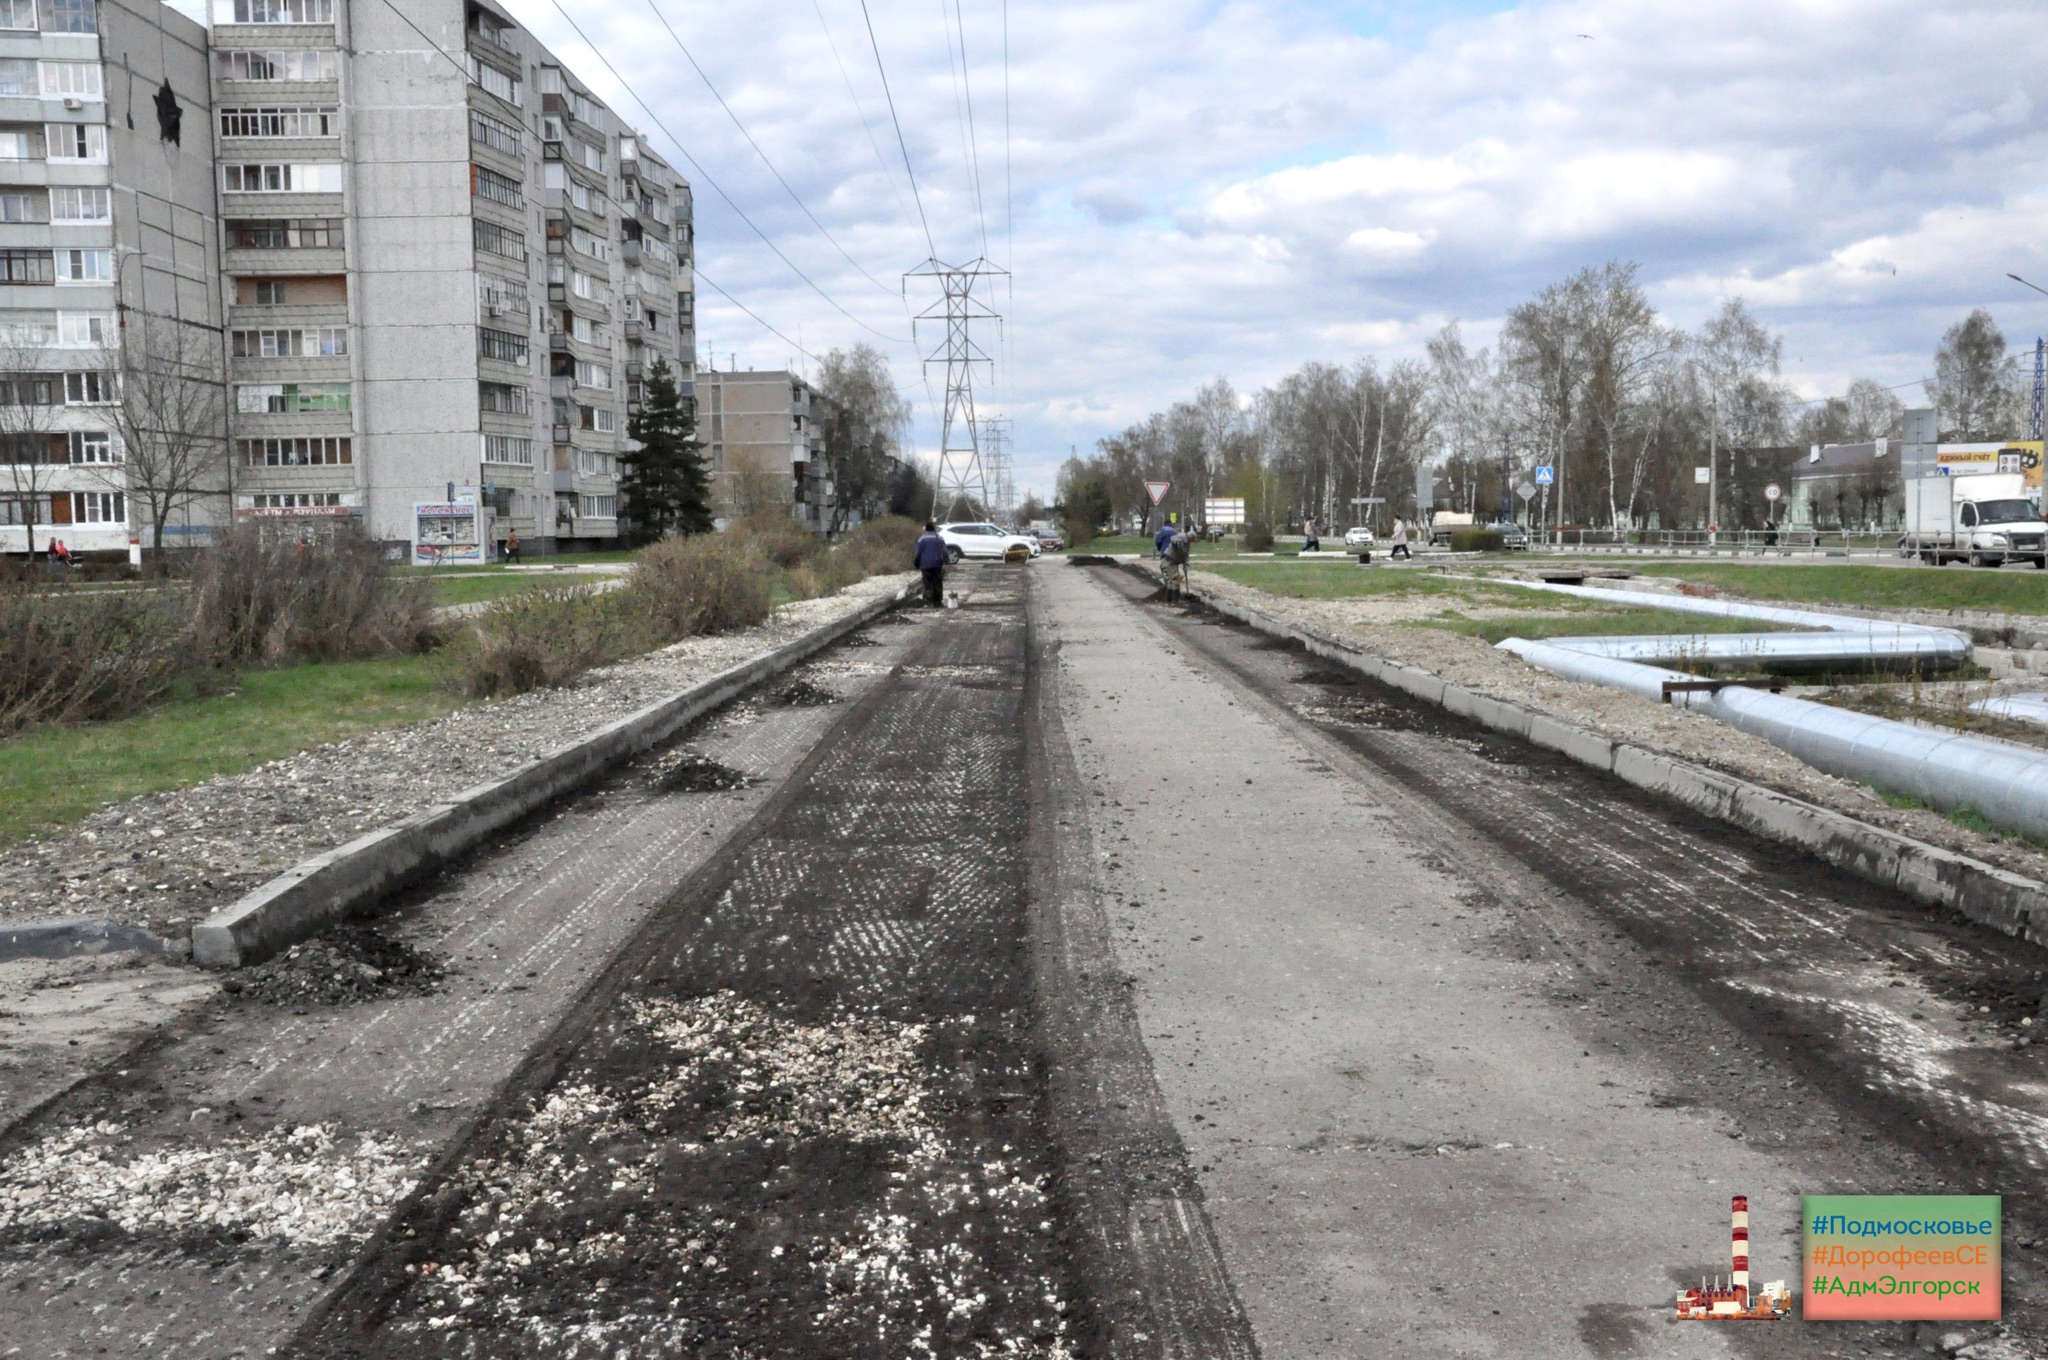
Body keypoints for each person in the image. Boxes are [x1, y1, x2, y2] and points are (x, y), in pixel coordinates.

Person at [913, 519, 947, 606]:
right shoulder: (939, 538)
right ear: (934, 529)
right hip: (937, 564)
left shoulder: (921, 539)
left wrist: (916, 563)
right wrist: (946, 562)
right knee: (937, 583)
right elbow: (945, 552)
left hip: (925, 564)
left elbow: (918, 553)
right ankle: (937, 602)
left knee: (927, 583)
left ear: (926, 529)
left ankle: (928, 601)